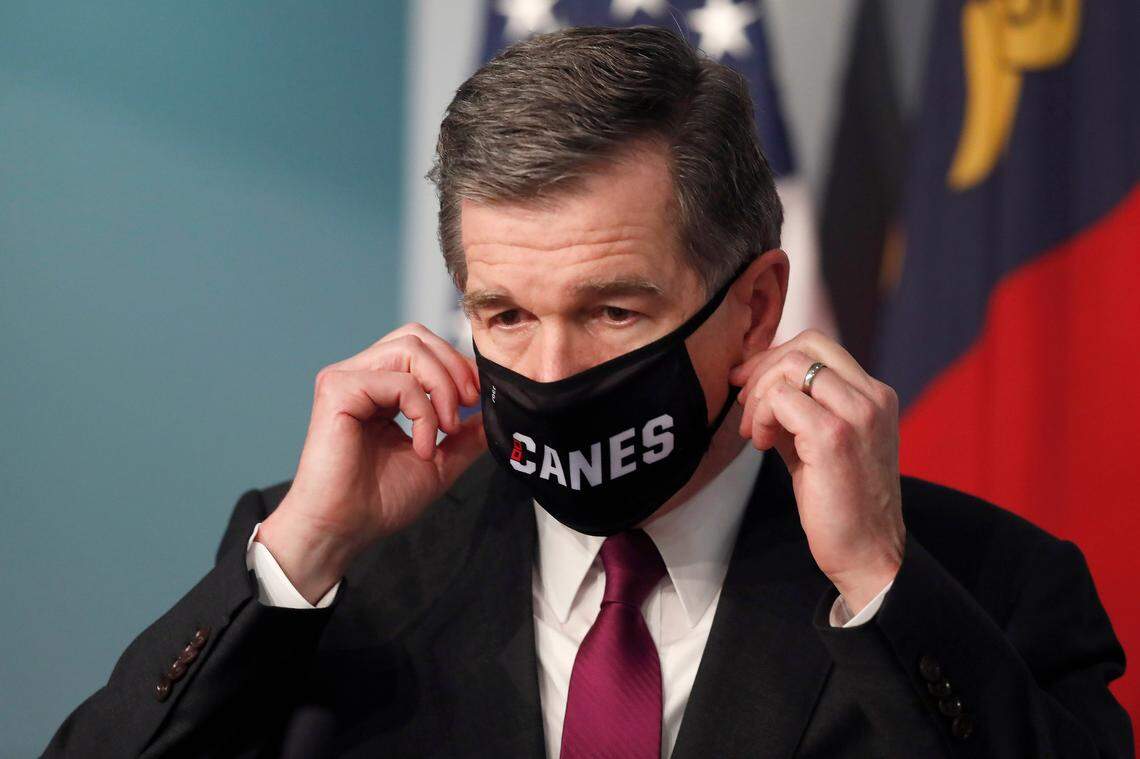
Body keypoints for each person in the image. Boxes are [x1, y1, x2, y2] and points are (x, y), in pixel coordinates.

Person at [44, 26, 1132, 758]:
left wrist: (880, 582)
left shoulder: (993, 587)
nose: (552, 375)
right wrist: (299, 560)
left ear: (755, 308)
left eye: (615, 312)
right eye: (505, 314)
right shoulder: (340, 570)